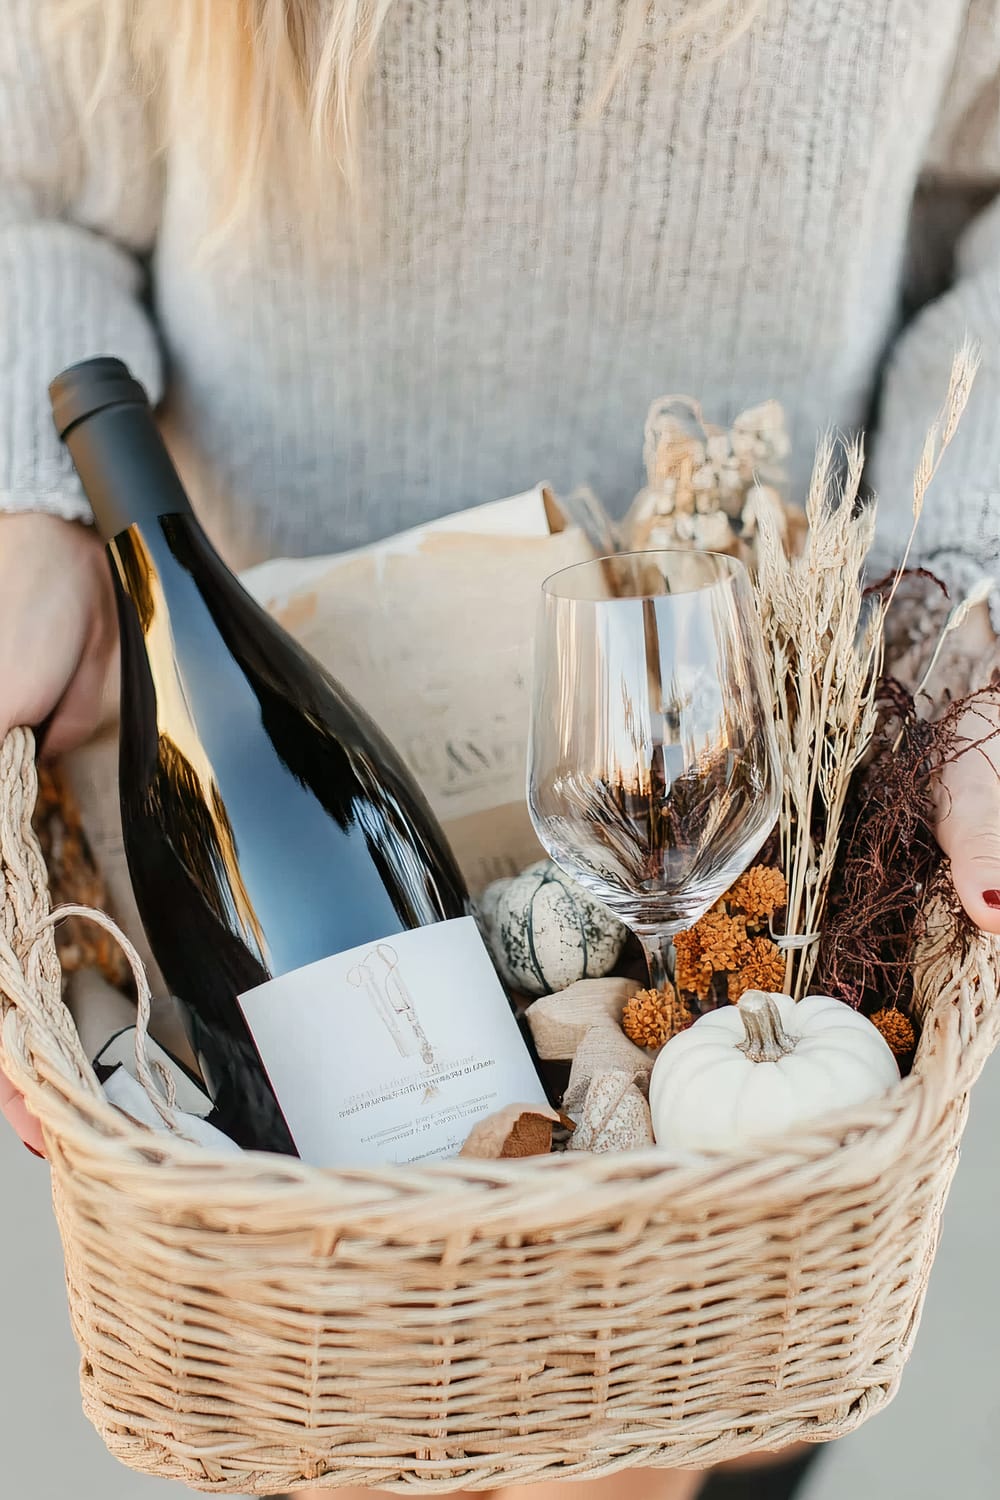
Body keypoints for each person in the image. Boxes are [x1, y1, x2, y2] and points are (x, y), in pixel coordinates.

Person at [2, 3, 1000, 1498]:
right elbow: (31, 180)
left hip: (772, 822)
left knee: (684, 1437)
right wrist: (36, 509)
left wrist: (966, 605)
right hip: (265, 722)